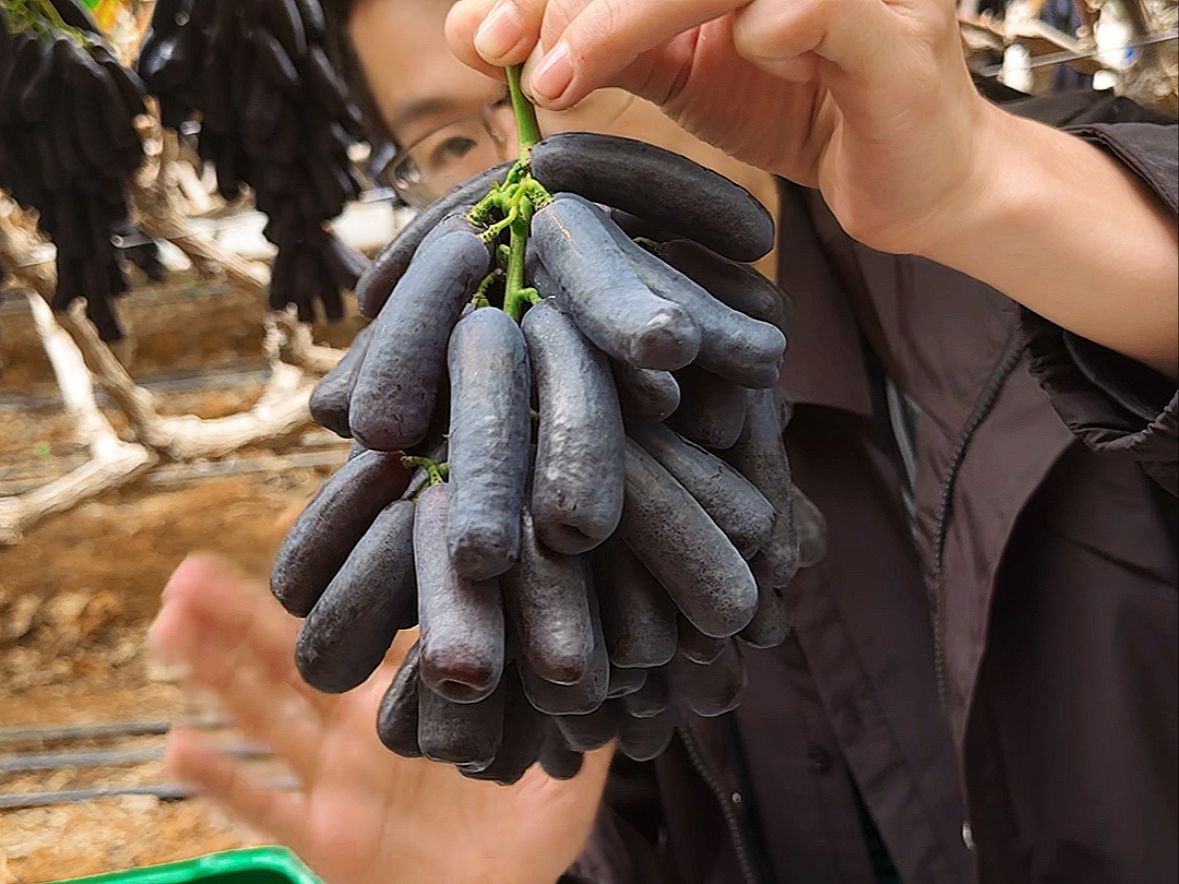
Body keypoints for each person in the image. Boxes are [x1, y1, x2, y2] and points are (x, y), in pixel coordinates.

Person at [151, 1, 1178, 882]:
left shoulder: (1068, 223)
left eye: (569, 63)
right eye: (449, 143)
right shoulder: (529, 506)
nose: (523, 157)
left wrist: (990, 191)